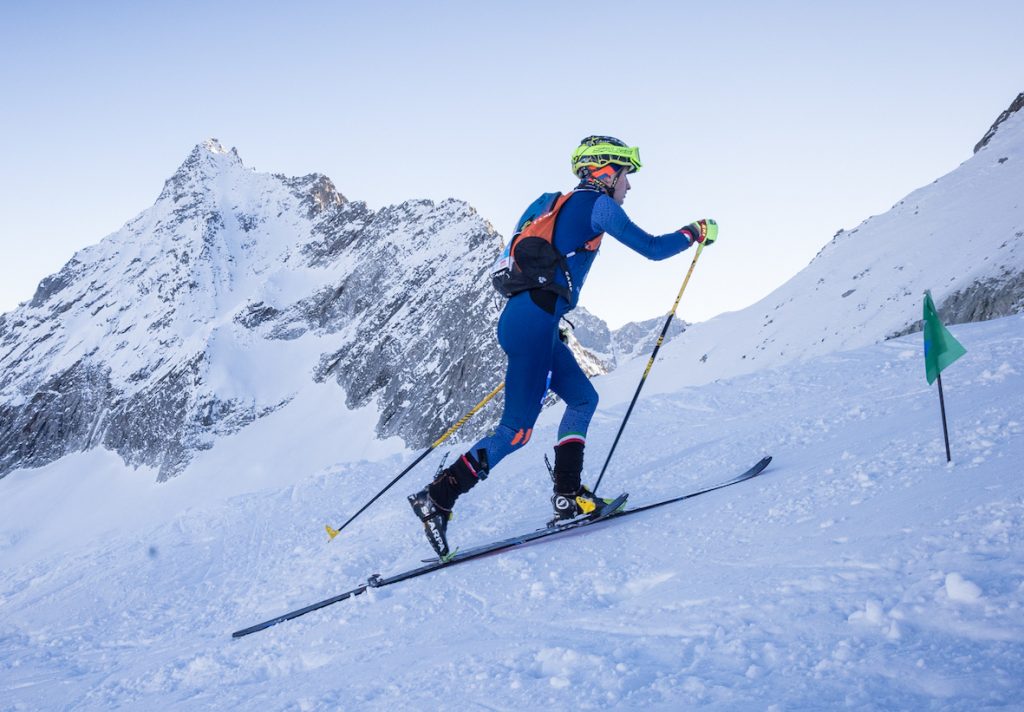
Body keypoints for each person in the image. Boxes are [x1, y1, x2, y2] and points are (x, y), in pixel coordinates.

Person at [409, 135, 718, 559]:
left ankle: (567, 496)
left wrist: (548, 320)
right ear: (606, 171)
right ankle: (438, 497)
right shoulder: (598, 204)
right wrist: (695, 231)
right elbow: (653, 248)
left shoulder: (551, 204)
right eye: (626, 175)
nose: (629, 186)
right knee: (516, 431)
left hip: (530, 318)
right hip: (534, 322)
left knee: (583, 398)